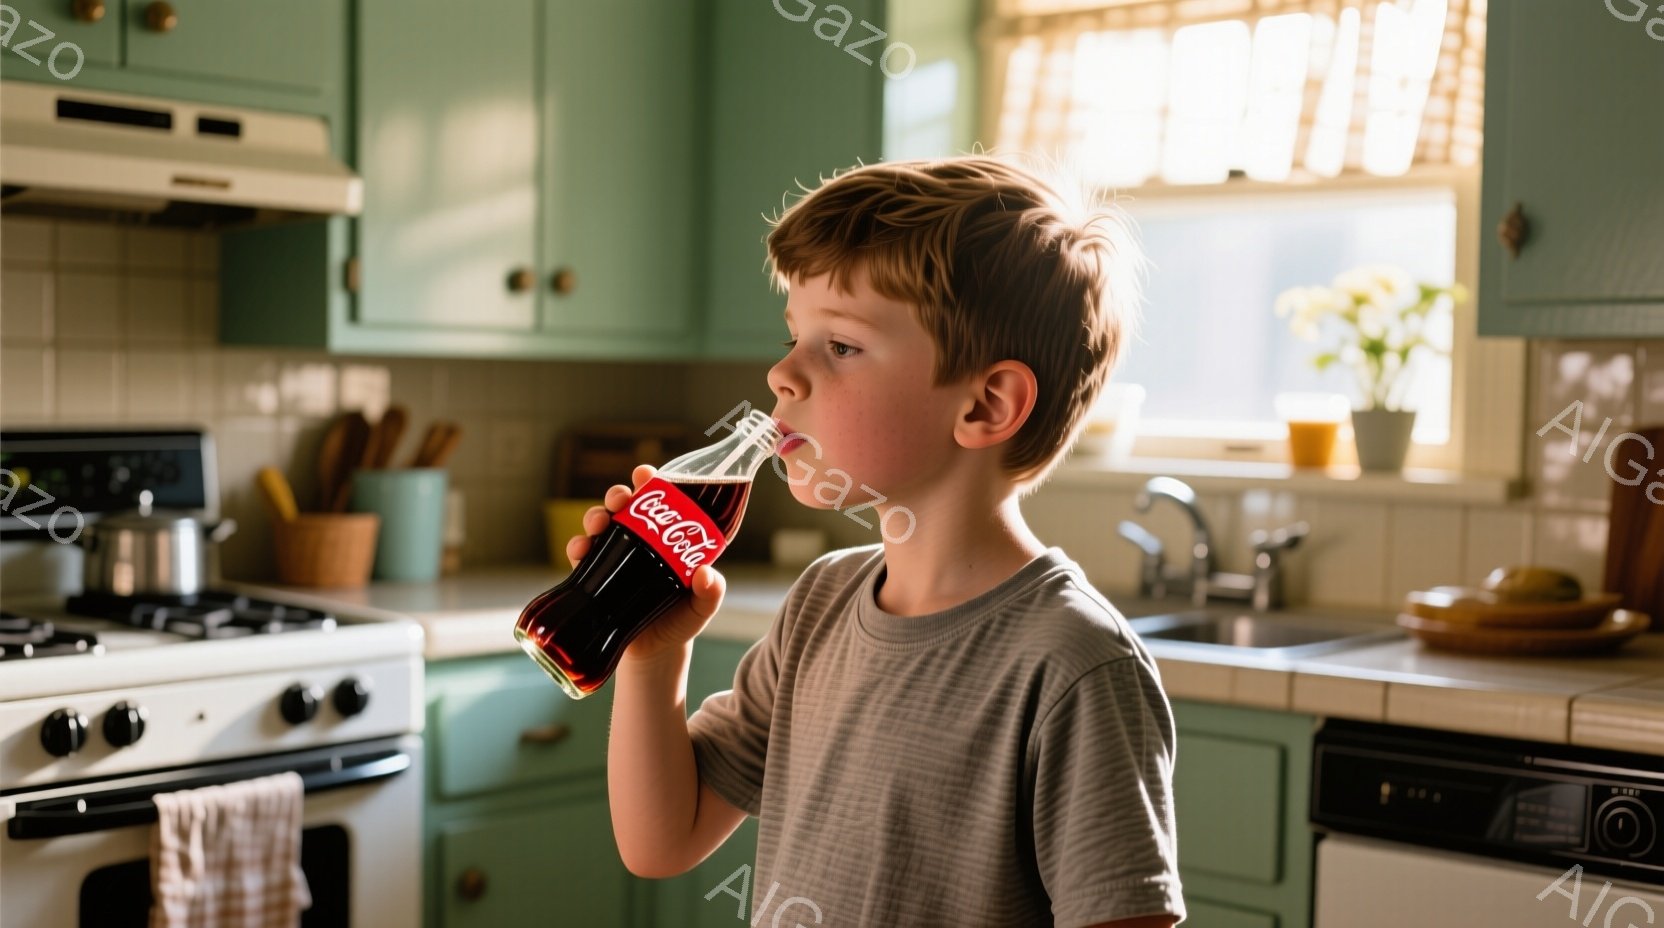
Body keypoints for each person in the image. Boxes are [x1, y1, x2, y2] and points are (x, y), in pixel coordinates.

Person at [569, 156, 1184, 927]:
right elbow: (660, 841)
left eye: (842, 347)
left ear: (988, 404)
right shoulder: (821, 605)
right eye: (795, 335)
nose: (782, 374)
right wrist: (653, 659)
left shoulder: (1072, 663)